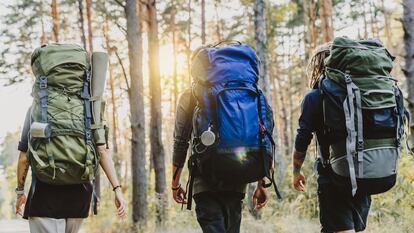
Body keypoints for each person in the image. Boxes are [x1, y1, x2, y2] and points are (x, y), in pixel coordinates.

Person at [292, 43, 372, 233]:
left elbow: (302, 138)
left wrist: (296, 170)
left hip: (334, 177)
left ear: (319, 65)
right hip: (365, 174)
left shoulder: (315, 96)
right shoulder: (363, 93)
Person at [171, 89, 269, 233]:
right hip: (237, 179)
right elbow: (263, 138)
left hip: (204, 179)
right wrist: (262, 182)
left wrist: (175, 184)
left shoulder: (193, 93)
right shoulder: (248, 92)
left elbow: (180, 141)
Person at [15, 108, 127, 233]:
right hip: (79, 198)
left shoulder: (37, 107)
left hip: (44, 197)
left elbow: (23, 158)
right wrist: (117, 189)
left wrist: (20, 192)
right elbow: (102, 152)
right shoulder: (89, 108)